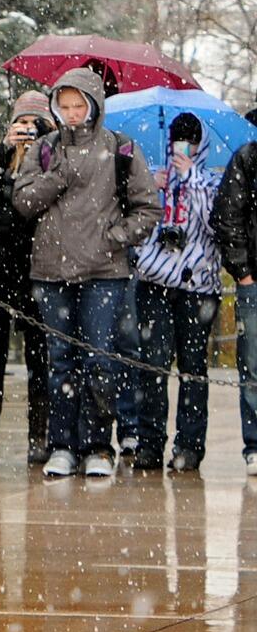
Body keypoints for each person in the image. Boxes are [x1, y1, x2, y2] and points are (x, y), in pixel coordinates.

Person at [13, 67, 160, 478]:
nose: (73, 113)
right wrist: (57, 176)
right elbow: (22, 201)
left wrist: (113, 237)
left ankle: (98, 445)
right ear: (55, 107)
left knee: (101, 360)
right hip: (51, 272)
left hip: (104, 271)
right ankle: (62, 444)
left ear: (94, 105)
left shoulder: (121, 148)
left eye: (80, 105)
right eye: (65, 105)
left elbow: (148, 209)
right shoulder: (44, 148)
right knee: (60, 362)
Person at [131, 112, 222, 473]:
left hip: (197, 287)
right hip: (155, 282)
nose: (183, 148)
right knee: (152, 366)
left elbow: (215, 224)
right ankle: (150, 443)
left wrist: (190, 178)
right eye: (178, 140)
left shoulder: (211, 180)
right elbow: (139, 220)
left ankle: (189, 446)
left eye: (190, 141)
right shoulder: (157, 176)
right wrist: (152, 187)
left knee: (193, 369)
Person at [0, 89, 53, 464]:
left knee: (39, 356)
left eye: (34, 124)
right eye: (20, 123)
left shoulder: (49, 158)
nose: (26, 130)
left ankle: (39, 435)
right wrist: (3, 151)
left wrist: (40, 152)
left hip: (37, 266)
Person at [216, 128, 257, 475]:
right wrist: (243, 272)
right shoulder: (247, 157)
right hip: (254, 281)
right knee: (254, 364)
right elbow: (228, 216)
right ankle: (256, 444)